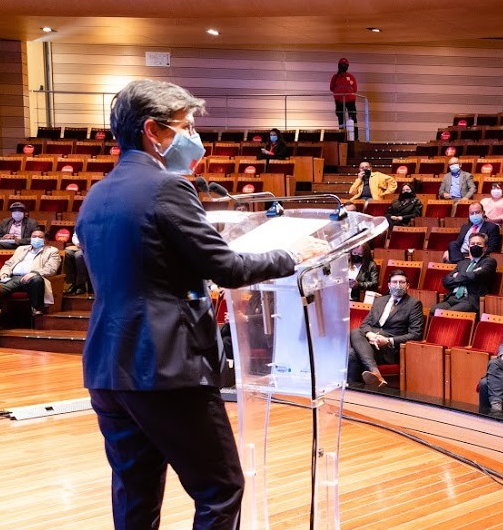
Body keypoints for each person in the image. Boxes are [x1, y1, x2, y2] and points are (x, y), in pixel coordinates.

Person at [77, 79, 328, 530]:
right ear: (153, 131)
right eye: (187, 127)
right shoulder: (168, 187)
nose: (196, 140)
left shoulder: (97, 194)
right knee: (220, 489)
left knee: (135, 495)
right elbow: (227, 269)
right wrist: (294, 255)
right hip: (166, 365)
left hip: (108, 367)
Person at [349, 269, 424, 388]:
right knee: (355, 332)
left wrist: (388, 341)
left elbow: (416, 334)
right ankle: (375, 374)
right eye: (394, 282)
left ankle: (356, 391)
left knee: (353, 353)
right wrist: (370, 335)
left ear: (408, 285)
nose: (398, 285)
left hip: (389, 349)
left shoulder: (414, 304)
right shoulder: (379, 301)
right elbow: (365, 325)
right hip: (371, 343)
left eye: (402, 282)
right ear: (389, 285)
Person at [0, 229, 63, 321]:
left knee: (37, 280)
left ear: (45, 240)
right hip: (13, 278)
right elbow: (8, 264)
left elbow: (51, 269)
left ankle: (37, 309)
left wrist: (34, 273)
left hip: (32, 279)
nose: (36, 239)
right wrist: (4, 273)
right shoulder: (21, 249)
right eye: (34, 237)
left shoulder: (52, 251)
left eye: (40, 237)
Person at [435, 232, 496, 313]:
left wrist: (457, 276)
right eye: (472, 244)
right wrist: (469, 275)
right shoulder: (462, 263)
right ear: (468, 247)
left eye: (478, 244)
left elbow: (477, 275)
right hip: (452, 298)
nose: (475, 246)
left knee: (447, 314)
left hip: (469, 300)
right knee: (432, 311)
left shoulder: (489, 262)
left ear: (485, 248)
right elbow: (446, 281)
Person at [330, 57, 358, 140]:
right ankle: (341, 137)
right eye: (342, 65)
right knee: (341, 119)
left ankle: (355, 137)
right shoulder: (335, 78)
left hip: (350, 100)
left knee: (353, 118)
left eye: (345, 65)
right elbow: (331, 88)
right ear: (339, 66)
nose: (344, 66)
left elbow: (355, 88)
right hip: (339, 101)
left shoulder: (351, 77)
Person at [63, 232, 93, 296]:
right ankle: (73, 283)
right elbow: (75, 235)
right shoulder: (82, 223)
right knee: (66, 253)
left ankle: (81, 285)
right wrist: (77, 243)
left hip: (91, 247)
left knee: (79, 256)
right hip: (79, 247)